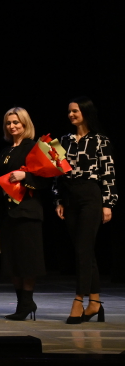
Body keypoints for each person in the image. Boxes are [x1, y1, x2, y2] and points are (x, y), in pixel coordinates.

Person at [58, 96, 116, 324]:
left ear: (85, 112)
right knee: (85, 251)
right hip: (70, 195)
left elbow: (108, 172)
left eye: (75, 111)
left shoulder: (100, 140)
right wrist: (58, 199)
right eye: (69, 111)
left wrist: (108, 203)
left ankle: (78, 300)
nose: (71, 114)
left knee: (83, 249)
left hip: (91, 195)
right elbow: (58, 172)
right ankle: (95, 302)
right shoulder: (65, 140)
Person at [0, 107, 43, 321]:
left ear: (25, 123)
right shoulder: (5, 151)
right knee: (11, 261)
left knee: (27, 260)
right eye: (9, 123)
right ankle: (23, 302)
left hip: (27, 211)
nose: (12, 126)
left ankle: (27, 301)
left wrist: (25, 176)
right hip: (7, 213)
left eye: (16, 122)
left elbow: (46, 180)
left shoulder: (35, 148)